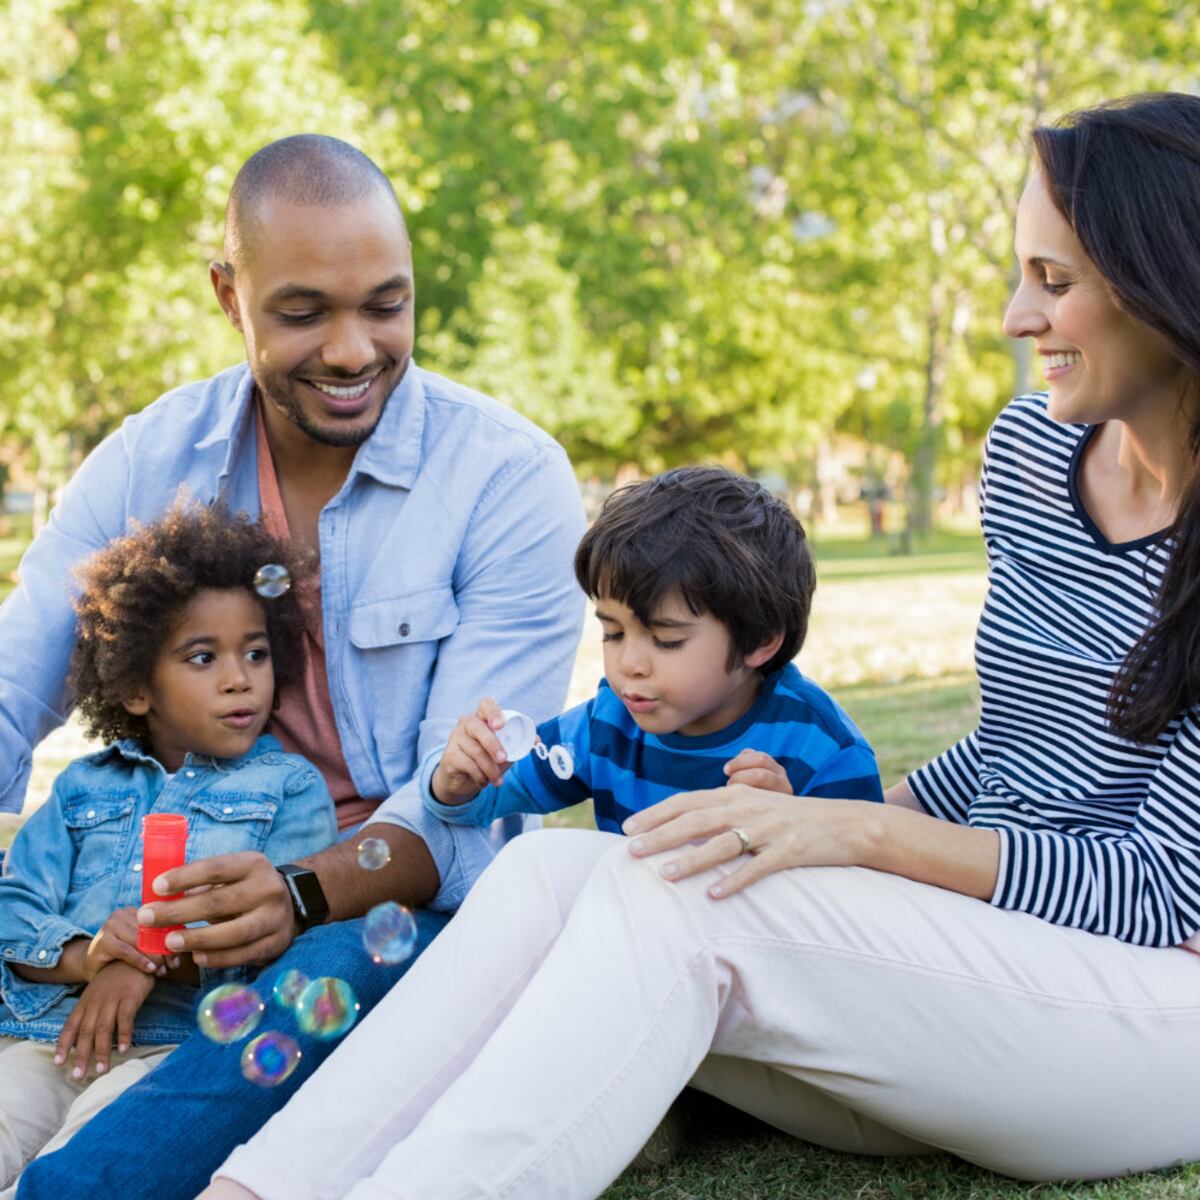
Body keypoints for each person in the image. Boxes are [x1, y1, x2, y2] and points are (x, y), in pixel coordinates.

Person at [201, 92, 1200, 1200]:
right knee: (545, 874)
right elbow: (1022, 749)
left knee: (680, 888)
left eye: (1054, 282)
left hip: (1155, 1016)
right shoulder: (1033, 456)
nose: (1019, 315)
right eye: (1022, 274)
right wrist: (826, 813)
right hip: (976, 985)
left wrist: (852, 833)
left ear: (1168, 283)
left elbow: (1167, 895)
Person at [10, 134, 585, 1200]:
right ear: (229, 296)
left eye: (386, 304)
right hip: (182, 905)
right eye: (304, 310)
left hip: (391, 912)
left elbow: (464, 802)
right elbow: (11, 693)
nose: (355, 347)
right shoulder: (148, 461)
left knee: (326, 971)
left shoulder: (508, 480)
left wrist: (298, 891)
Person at [0, 502, 337, 1194]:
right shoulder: (82, 789)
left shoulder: (288, 788)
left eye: (256, 652)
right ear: (133, 686)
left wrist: (146, 964)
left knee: (87, 1159)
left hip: (174, 1052)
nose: (240, 678)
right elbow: (13, 909)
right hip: (49, 1039)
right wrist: (92, 956)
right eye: (203, 657)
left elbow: (271, 935)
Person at [425, 466, 883, 840]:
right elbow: (489, 802)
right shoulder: (608, 724)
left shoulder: (822, 748)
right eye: (613, 633)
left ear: (760, 640)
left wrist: (791, 825)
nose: (629, 665)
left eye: (666, 640)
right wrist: (457, 782)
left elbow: (858, 904)